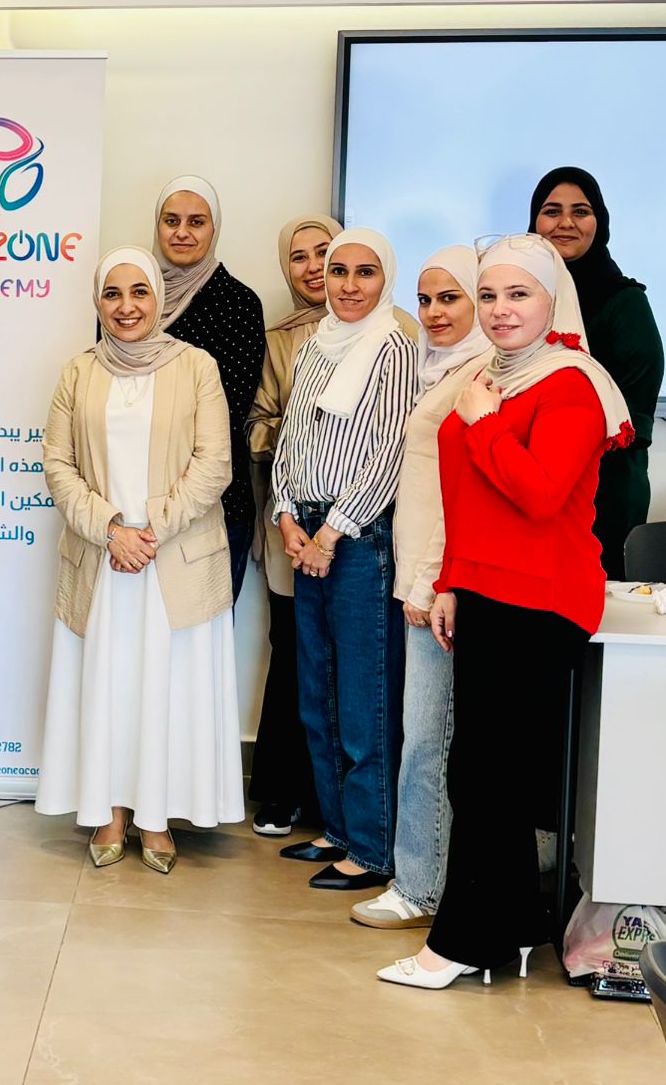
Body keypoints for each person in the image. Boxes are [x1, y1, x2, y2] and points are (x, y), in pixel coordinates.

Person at [377, 235, 632, 988]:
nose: (500, 309)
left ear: (554, 301)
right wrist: (452, 580)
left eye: (518, 294)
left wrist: (485, 423)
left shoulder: (571, 383)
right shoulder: (490, 375)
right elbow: (466, 498)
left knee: (486, 775)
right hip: (488, 588)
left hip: (541, 598)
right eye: (488, 295)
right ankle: (516, 926)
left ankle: (460, 943)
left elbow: (542, 494)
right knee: (484, 771)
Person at [36, 247, 244, 874]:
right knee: (110, 685)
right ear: (97, 302)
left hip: (172, 560)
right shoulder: (78, 372)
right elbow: (58, 464)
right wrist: (111, 530)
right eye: (112, 294)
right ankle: (109, 813)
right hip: (103, 561)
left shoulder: (197, 366)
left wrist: (150, 530)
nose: (126, 307)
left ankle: (156, 817)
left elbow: (215, 462)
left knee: (165, 687)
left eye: (139, 292)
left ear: (159, 299)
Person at [271, 228, 417, 892]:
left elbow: (389, 453)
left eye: (365, 272)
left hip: (356, 537)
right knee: (318, 692)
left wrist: (330, 534)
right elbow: (291, 438)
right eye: (339, 272)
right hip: (305, 526)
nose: (349, 285)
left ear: (385, 279)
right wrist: (284, 514)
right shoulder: (316, 344)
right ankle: (337, 830)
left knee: (363, 699)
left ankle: (372, 849)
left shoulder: (393, 346)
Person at [353, 245, 489, 933]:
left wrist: (429, 582)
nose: (434, 313)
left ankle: (418, 886)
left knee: (427, 739)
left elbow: (455, 495)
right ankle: (426, 877)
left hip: (439, 586)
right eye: (426, 299)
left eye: (451, 298)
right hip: (424, 577)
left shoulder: (480, 373)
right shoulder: (436, 366)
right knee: (427, 736)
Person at [244, 214, 340, 839]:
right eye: (298, 257)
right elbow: (255, 424)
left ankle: (341, 802)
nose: (313, 268)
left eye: (324, 252)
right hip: (290, 519)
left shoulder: (397, 330)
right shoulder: (277, 339)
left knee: (355, 660)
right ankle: (283, 790)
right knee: (294, 652)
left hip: (365, 523)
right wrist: (306, 430)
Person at [528, 167, 662, 579]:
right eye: (552, 211)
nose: (566, 222)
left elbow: (633, 411)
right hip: (529, 482)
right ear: (534, 221)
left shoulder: (624, 301)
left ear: (599, 222)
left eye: (581, 211)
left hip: (604, 489)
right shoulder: (520, 298)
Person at [152, 177, 265, 603]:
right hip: (138, 503)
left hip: (216, 503)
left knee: (204, 634)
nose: (182, 232)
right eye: (171, 221)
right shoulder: (132, 298)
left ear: (214, 229)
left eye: (196, 222)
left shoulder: (238, 303)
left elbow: (228, 411)